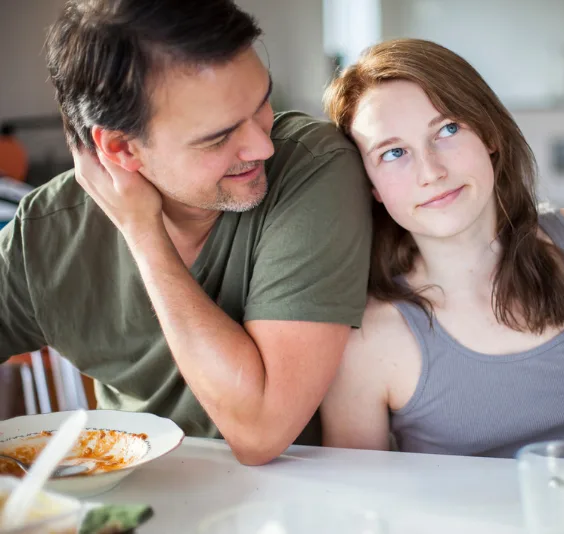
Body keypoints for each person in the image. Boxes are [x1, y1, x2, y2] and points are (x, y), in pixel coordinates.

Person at [0, 0, 372, 466]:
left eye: (262, 104)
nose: (262, 144)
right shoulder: (48, 231)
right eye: (218, 137)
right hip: (135, 500)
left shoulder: (310, 167)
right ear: (119, 149)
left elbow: (260, 431)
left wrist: (141, 230)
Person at [320, 38, 564, 457]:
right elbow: (356, 510)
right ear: (372, 186)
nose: (431, 172)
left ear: (488, 132)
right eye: (394, 152)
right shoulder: (364, 341)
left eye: (448, 130)